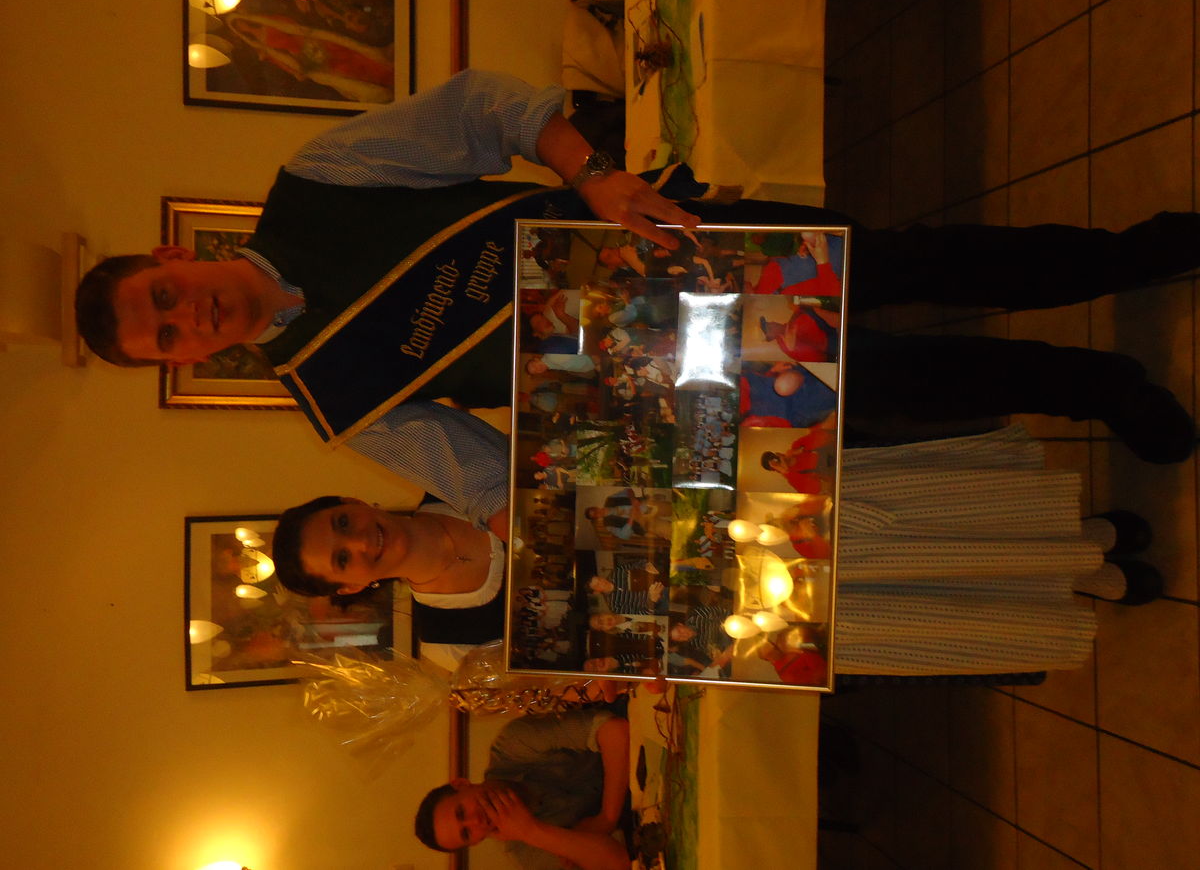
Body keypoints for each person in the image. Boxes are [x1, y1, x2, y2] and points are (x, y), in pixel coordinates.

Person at [74, 69, 1198, 473]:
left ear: (175, 258)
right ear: (184, 360)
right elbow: (488, 480)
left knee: (914, 264)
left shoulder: (314, 181)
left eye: (163, 296)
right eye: (166, 336)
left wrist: (596, 175)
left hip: (661, 235)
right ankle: (1102, 392)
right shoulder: (330, 398)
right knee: (895, 381)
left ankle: (1133, 255)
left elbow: (481, 111)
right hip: (670, 374)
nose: (188, 317)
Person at [271, 495, 504, 672]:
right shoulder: (448, 645)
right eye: (342, 559)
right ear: (352, 586)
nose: (361, 541)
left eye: (343, 522)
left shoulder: (454, 482)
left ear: (354, 502)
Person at [414, 710, 631, 870]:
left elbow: (615, 730)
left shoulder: (512, 745)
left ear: (461, 784)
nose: (476, 820)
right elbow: (620, 864)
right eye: (466, 833)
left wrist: (606, 818)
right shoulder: (525, 853)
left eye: (461, 812)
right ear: (476, 842)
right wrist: (531, 832)